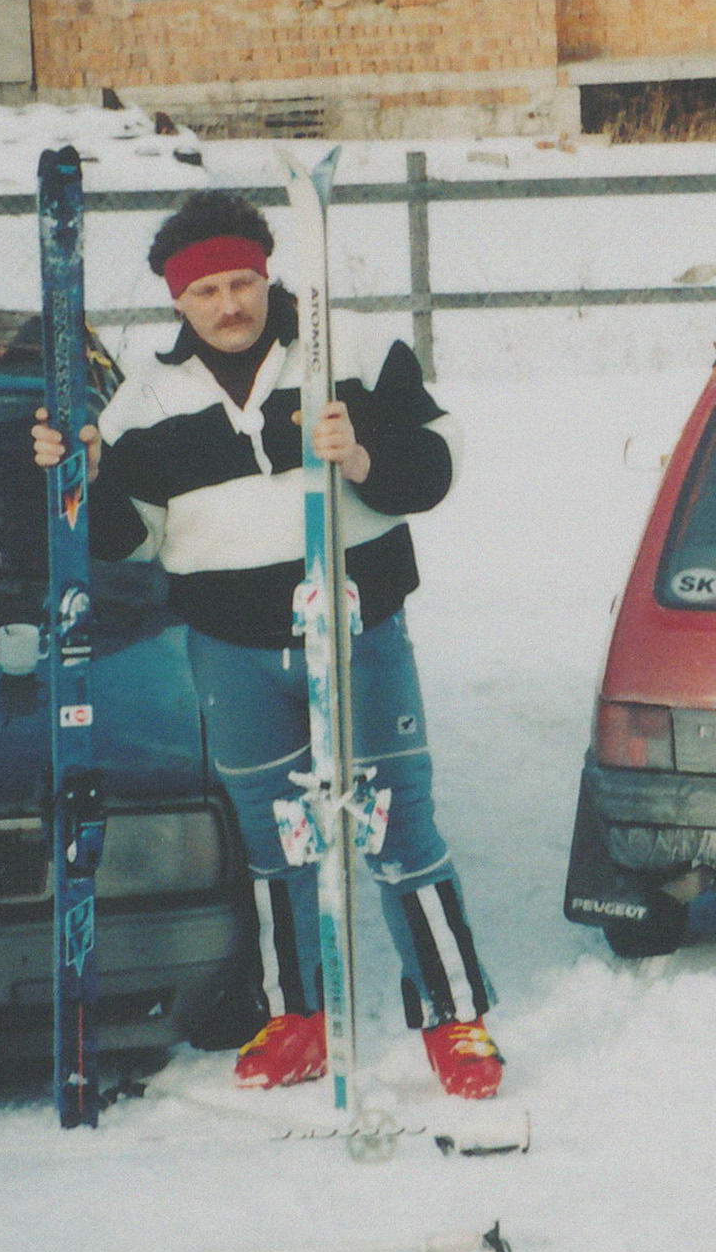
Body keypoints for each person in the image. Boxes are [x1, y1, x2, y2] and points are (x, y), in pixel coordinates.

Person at [32, 189, 506, 1100]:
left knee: (396, 821)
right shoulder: (149, 399)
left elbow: (437, 464)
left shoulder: (350, 352)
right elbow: (133, 539)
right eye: (206, 291)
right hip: (233, 646)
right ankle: (300, 1013)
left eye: (242, 281)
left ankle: (455, 1018)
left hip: (356, 625)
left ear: (269, 274)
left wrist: (364, 458)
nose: (229, 305)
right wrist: (85, 484)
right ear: (179, 301)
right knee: (275, 838)